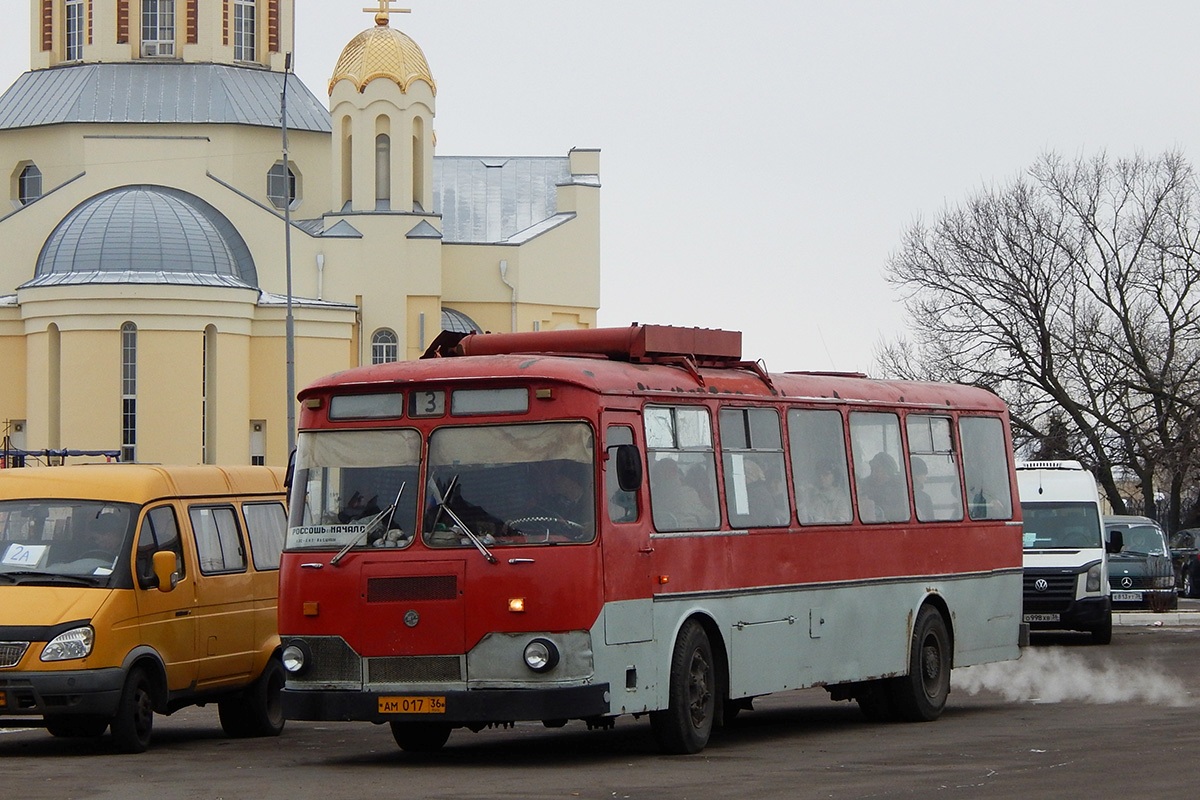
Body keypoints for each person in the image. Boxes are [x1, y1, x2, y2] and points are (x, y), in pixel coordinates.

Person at [860, 451, 908, 522]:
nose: (873, 474)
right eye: (872, 470)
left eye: (877, 470)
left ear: (888, 471)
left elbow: (903, 511)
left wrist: (881, 511)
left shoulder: (900, 488)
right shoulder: (864, 485)